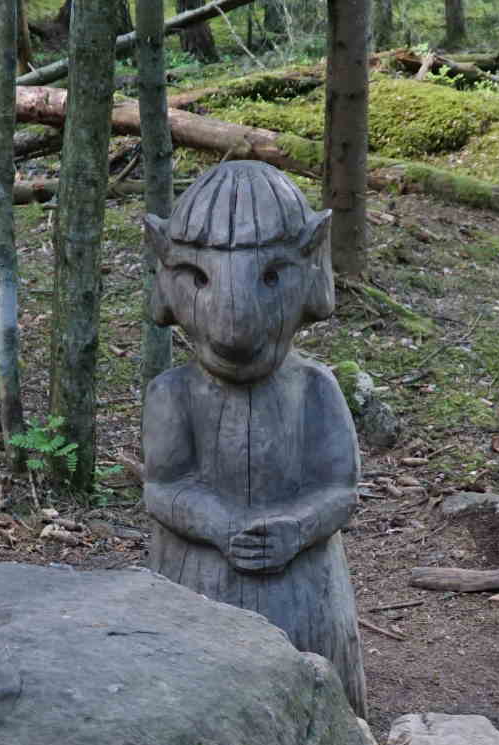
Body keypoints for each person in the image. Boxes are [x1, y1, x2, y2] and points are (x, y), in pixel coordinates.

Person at [141, 161, 367, 716]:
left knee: (318, 705)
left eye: (271, 276)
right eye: (199, 278)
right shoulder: (172, 393)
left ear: (312, 265)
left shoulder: (315, 388)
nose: (230, 332)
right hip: (196, 580)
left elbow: (341, 489)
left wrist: (298, 528)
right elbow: (162, 488)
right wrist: (218, 524)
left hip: (305, 588)